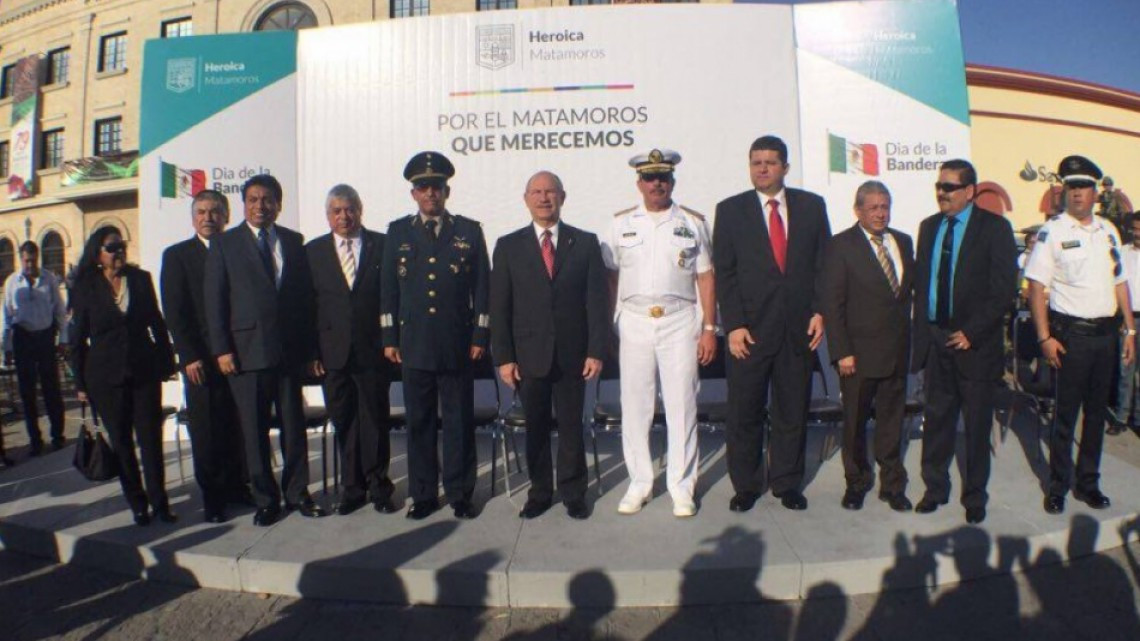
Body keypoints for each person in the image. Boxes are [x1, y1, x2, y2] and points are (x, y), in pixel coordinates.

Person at [713, 135, 829, 513]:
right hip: (749, 332)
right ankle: (746, 486)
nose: (762, 168)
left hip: (797, 330)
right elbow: (725, 273)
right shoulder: (730, 211)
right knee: (743, 412)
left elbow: (821, 266)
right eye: (755, 162)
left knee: (791, 410)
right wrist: (733, 325)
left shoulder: (812, 207)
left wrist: (818, 310)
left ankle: (786, 483)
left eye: (770, 162)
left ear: (785, 167)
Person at [204, 174, 326, 526]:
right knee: (254, 432)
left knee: (294, 427)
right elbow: (216, 302)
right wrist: (222, 350)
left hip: (288, 354)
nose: (261, 205)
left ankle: (298, 493)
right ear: (243, 205)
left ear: (278, 204)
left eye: (268, 199)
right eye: (254, 199)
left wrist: (309, 351)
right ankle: (266, 499)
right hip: (245, 354)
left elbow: (304, 301)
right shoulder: (225, 244)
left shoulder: (292, 240)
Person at [601, 149, 716, 517]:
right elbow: (610, 277)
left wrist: (710, 328)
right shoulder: (621, 223)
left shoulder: (693, 222)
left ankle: (682, 486)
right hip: (634, 320)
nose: (657, 184)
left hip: (680, 319)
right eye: (649, 178)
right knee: (635, 405)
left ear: (673, 181)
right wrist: (607, 325)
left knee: (682, 404)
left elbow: (705, 277)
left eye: (663, 177)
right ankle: (640, 482)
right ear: (639, 183)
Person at [491, 171, 609, 520]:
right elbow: (500, 307)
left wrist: (596, 350)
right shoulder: (508, 245)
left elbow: (597, 303)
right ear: (526, 198)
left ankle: (574, 492)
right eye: (537, 192)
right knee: (536, 428)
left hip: (574, 356)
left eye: (551, 192)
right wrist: (505, 357)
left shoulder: (585, 243)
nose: (544, 198)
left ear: (563, 197)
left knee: (572, 426)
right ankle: (540, 492)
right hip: (529, 357)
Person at [381, 152, 490, 520]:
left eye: (437, 187)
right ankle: (424, 494)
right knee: (420, 423)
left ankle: (460, 493)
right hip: (413, 347)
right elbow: (388, 291)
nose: (431, 194)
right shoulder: (398, 232)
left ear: (447, 191)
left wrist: (480, 334)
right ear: (413, 193)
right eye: (423, 187)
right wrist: (388, 337)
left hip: (457, 344)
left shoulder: (469, 230)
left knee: (459, 421)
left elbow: (482, 288)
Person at [1026, 155, 1135, 515]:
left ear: (1094, 192)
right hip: (1070, 338)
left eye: (1084, 187)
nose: (1077, 194)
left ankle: (1089, 483)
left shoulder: (1108, 231)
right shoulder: (1053, 232)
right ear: (1065, 192)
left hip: (1105, 337)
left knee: (1095, 416)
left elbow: (1120, 281)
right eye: (1071, 187)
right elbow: (1036, 286)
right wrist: (1044, 337)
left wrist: (1130, 330)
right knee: (1065, 416)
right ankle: (1057, 485)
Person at [912, 159, 1016, 525]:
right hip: (937, 338)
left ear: (969, 191)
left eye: (950, 187)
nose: (942, 193)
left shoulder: (995, 229)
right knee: (937, 419)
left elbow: (1004, 290)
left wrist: (972, 331)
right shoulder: (929, 228)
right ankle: (935, 489)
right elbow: (923, 285)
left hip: (975, 343)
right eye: (939, 186)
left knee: (974, 425)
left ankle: (974, 496)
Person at [70, 226, 177, 526]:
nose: (119, 252)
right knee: (122, 443)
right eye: (111, 247)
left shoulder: (140, 280)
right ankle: (137, 503)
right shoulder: (85, 287)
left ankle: (160, 503)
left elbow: (157, 323)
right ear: (98, 254)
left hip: (143, 372)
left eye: (121, 246)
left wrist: (167, 364)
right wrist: (80, 383)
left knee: (151, 440)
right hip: (104, 378)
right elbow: (76, 339)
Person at [819, 181, 914, 512]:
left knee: (892, 422)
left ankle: (892, 485)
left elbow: (903, 298)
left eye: (885, 206)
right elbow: (833, 303)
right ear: (858, 210)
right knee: (856, 422)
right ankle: (856, 482)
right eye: (873, 207)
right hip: (857, 356)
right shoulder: (841, 246)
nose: (880, 213)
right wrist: (842, 351)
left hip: (896, 352)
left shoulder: (903, 241)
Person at [160, 190, 250, 523]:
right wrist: (189, 356)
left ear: (226, 216)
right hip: (200, 360)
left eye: (215, 211)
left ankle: (239, 486)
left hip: (238, 356)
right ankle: (213, 497)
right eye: (201, 212)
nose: (208, 217)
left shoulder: (240, 250)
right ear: (193, 216)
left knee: (237, 425)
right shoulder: (177, 256)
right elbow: (175, 311)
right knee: (207, 429)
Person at [307, 184, 397, 516]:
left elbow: (391, 297)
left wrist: (391, 340)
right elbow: (307, 307)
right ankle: (352, 489)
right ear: (328, 215)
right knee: (344, 421)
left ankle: (379, 487)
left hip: (373, 351)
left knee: (374, 420)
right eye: (337, 211)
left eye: (350, 209)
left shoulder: (382, 245)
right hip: (332, 354)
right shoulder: (313, 252)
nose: (344, 216)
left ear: (360, 210)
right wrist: (311, 353)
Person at [2, 241, 68, 456]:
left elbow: (59, 310)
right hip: (23, 339)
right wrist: (7, 348)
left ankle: (58, 436)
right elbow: (6, 317)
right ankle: (35, 440)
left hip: (45, 337)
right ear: (21, 259)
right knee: (27, 393)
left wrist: (63, 340)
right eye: (25, 260)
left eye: (32, 260)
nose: (29, 264)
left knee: (52, 389)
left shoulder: (48, 279)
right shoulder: (13, 282)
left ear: (37, 258)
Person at [1111, 212, 1140, 432]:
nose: (1136, 233)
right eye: (1134, 229)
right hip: (1128, 318)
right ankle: (1121, 416)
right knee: (1125, 368)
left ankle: (1138, 419)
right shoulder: (1122, 253)